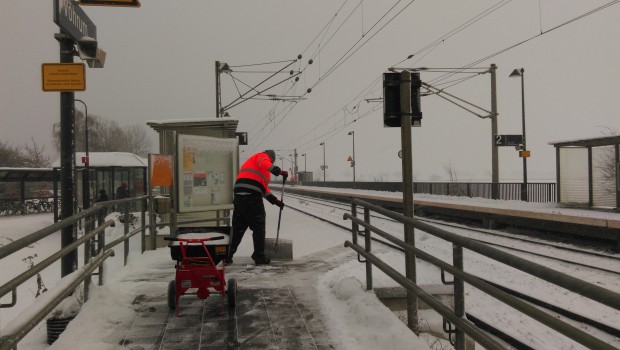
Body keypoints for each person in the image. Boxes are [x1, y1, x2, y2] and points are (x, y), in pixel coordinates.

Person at [228, 150, 288, 265]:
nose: (270, 162)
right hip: (251, 197)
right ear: (271, 158)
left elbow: (263, 189)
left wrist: (275, 201)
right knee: (259, 227)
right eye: (271, 161)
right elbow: (263, 162)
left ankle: (227, 255)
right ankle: (259, 256)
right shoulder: (261, 157)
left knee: (238, 229)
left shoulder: (257, 169)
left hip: (240, 196)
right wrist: (278, 171)